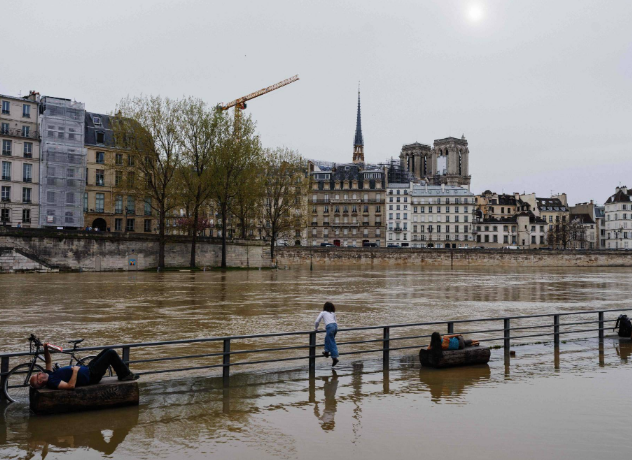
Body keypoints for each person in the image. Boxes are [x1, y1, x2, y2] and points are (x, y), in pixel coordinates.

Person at [29, 344, 138, 390]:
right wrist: (75, 371)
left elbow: (48, 361)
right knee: (111, 353)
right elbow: (70, 386)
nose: (40, 373)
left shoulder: (49, 375)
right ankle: (125, 375)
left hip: (88, 369)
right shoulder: (52, 382)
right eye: (38, 375)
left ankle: (123, 374)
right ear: (40, 382)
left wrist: (45, 348)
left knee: (106, 350)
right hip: (91, 376)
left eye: (38, 373)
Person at [315, 301, 339, 367]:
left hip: (330, 327)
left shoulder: (323, 313)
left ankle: (335, 358)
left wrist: (316, 328)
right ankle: (326, 352)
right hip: (335, 327)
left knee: (331, 342)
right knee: (327, 339)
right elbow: (335, 322)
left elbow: (317, 321)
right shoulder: (333, 313)